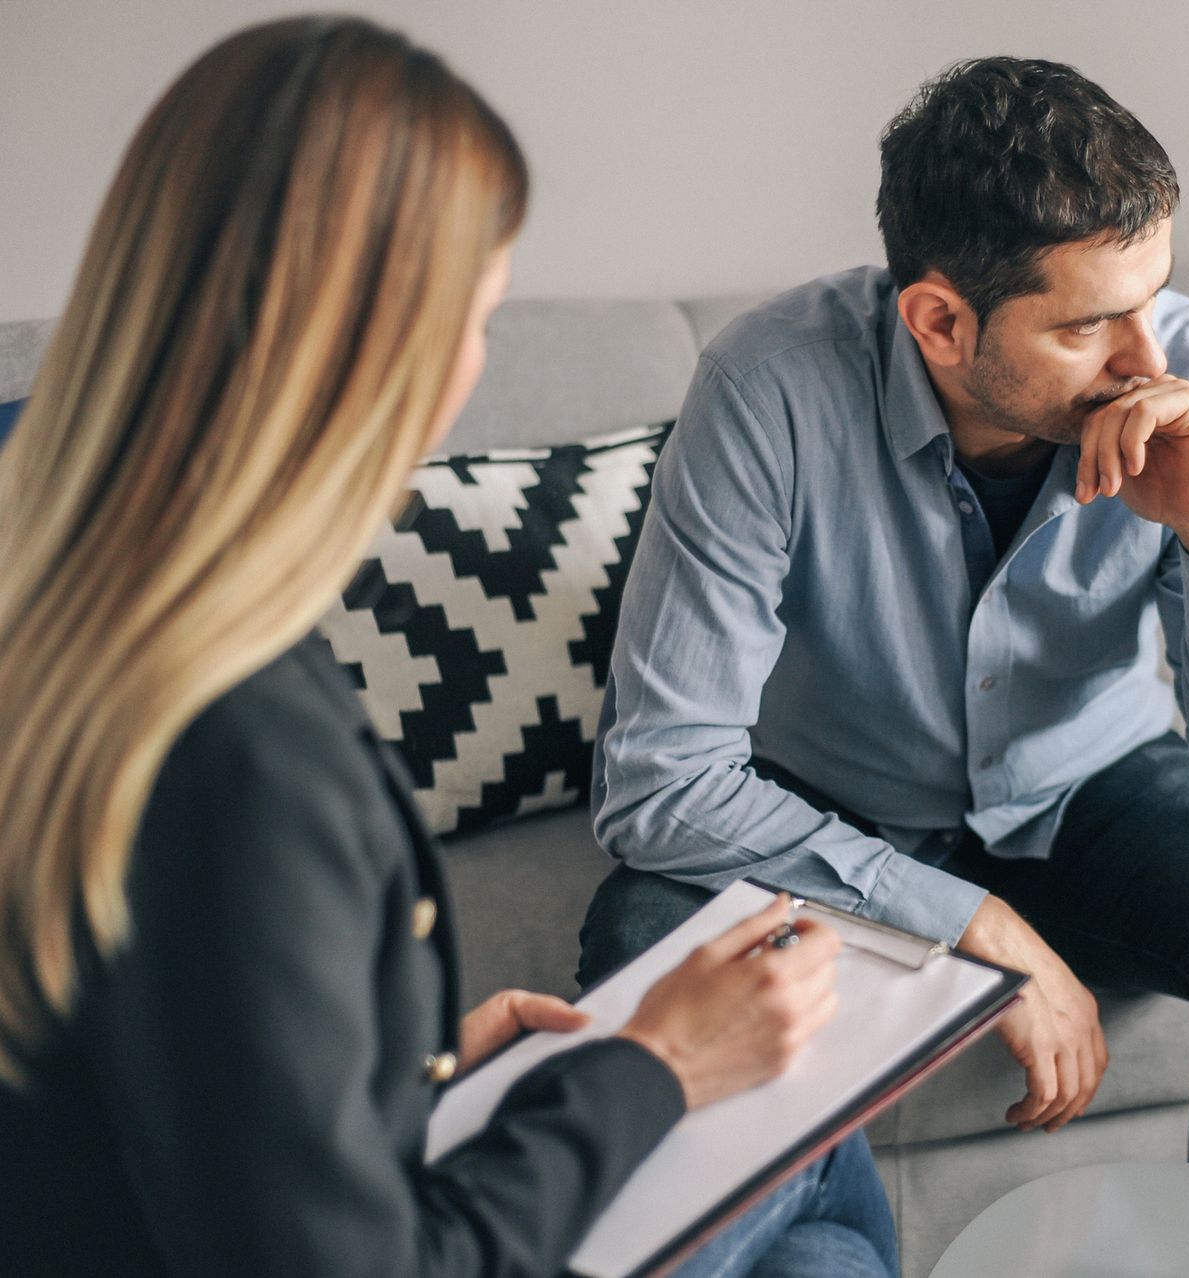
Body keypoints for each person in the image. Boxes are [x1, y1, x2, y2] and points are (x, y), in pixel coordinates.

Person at [0, 18, 895, 1278]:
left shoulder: (73, 613)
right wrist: (656, 1067)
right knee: (813, 1163)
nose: (474, 366)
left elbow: (178, 1098)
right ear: (371, 341)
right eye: (481, 314)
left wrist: (398, 1085)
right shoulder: (240, 742)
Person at [582, 57, 1189, 1178]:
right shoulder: (770, 392)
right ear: (940, 320)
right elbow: (659, 782)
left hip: (1084, 790)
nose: (1146, 361)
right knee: (641, 943)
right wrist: (970, 923)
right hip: (834, 803)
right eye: (1092, 324)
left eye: (1152, 300)